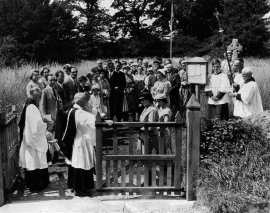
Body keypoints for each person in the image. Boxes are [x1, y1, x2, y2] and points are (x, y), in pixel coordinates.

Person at [61, 93, 96, 196]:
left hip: (76, 141)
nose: (87, 102)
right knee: (82, 164)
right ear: (83, 101)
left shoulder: (72, 110)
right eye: (86, 100)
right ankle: (81, 188)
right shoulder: (79, 113)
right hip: (81, 142)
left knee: (76, 163)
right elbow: (92, 121)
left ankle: (74, 186)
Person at [18, 87, 50, 191]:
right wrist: (46, 124)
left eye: (40, 96)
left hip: (29, 136)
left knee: (33, 161)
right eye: (38, 96)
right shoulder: (31, 106)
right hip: (33, 138)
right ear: (33, 95)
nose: (39, 98)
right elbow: (36, 125)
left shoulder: (29, 103)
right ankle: (36, 184)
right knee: (35, 161)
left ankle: (32, 183)